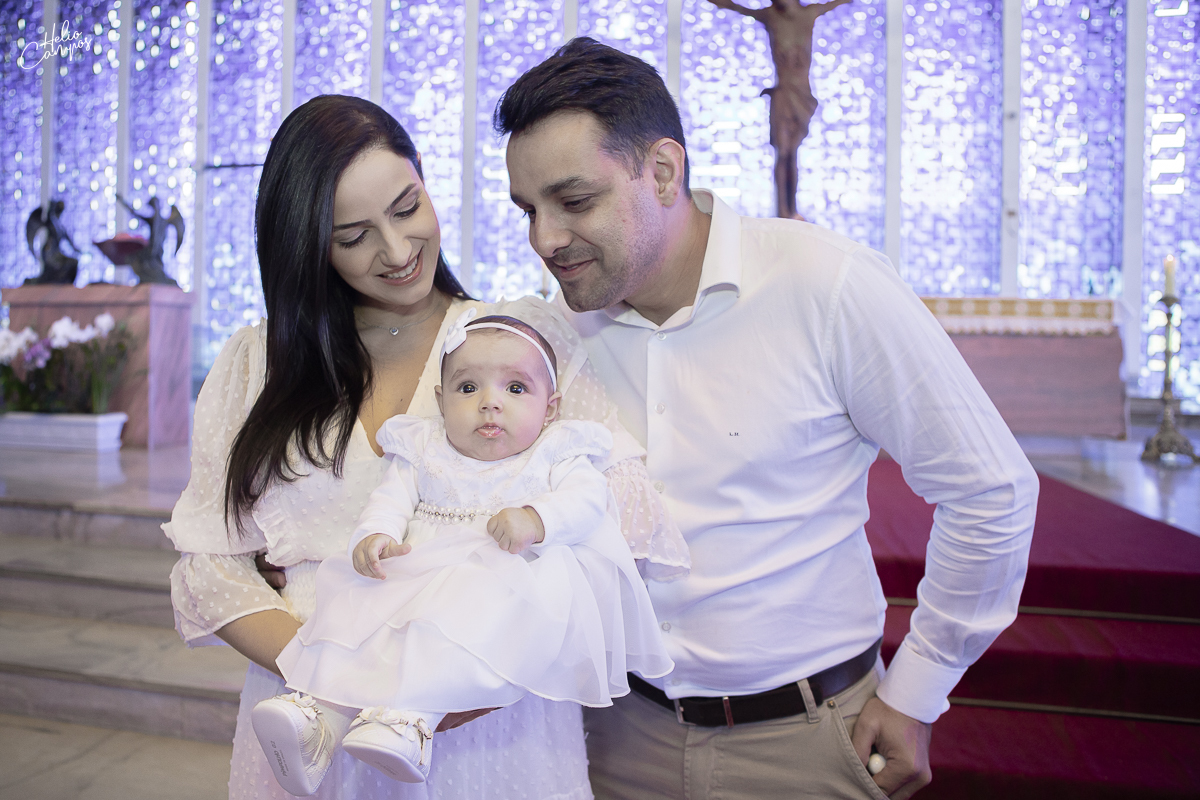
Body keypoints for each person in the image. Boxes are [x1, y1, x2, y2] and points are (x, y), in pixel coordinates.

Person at [495, 38, 1039, 800]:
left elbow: (990, 489)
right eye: (528, 210)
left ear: (662, 172)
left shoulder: (824, 283)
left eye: (574, 201)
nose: (544, 240)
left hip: (805, 738)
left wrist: (918, 689)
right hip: (615, 733)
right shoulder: (553, 335)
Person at [164, 94, 686, 800]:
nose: (397, 250)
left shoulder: (518, 344)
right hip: (307, 712)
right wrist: (339, 682)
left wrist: (453, 687)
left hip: (492, 721)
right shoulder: (258, 364)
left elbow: (620, 520)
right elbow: (211, 568)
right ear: (308, 246)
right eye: (354, 237)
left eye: (407, 207)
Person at [250, 310, 673, 794]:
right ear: (441, 400)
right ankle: (319, 717)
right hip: (416, 572)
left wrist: (536, 519)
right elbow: (390, 499)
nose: (490, 403)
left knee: (448, 645)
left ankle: (411, 722)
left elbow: (588, 503)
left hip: (498, 584)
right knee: (359, 618)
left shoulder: (556, 451)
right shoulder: (424, 446)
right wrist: (376, 534)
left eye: (516, 388)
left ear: (550, 408)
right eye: (468, 388)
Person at [707, 0, 853, 220]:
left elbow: (835, 4)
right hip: (783, 95)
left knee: (792, 153)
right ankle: (783, 210)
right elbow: (736, 7)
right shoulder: (771, 16)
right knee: (782, 152)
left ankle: (791, 210)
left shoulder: (809, 14)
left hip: (802, 96)